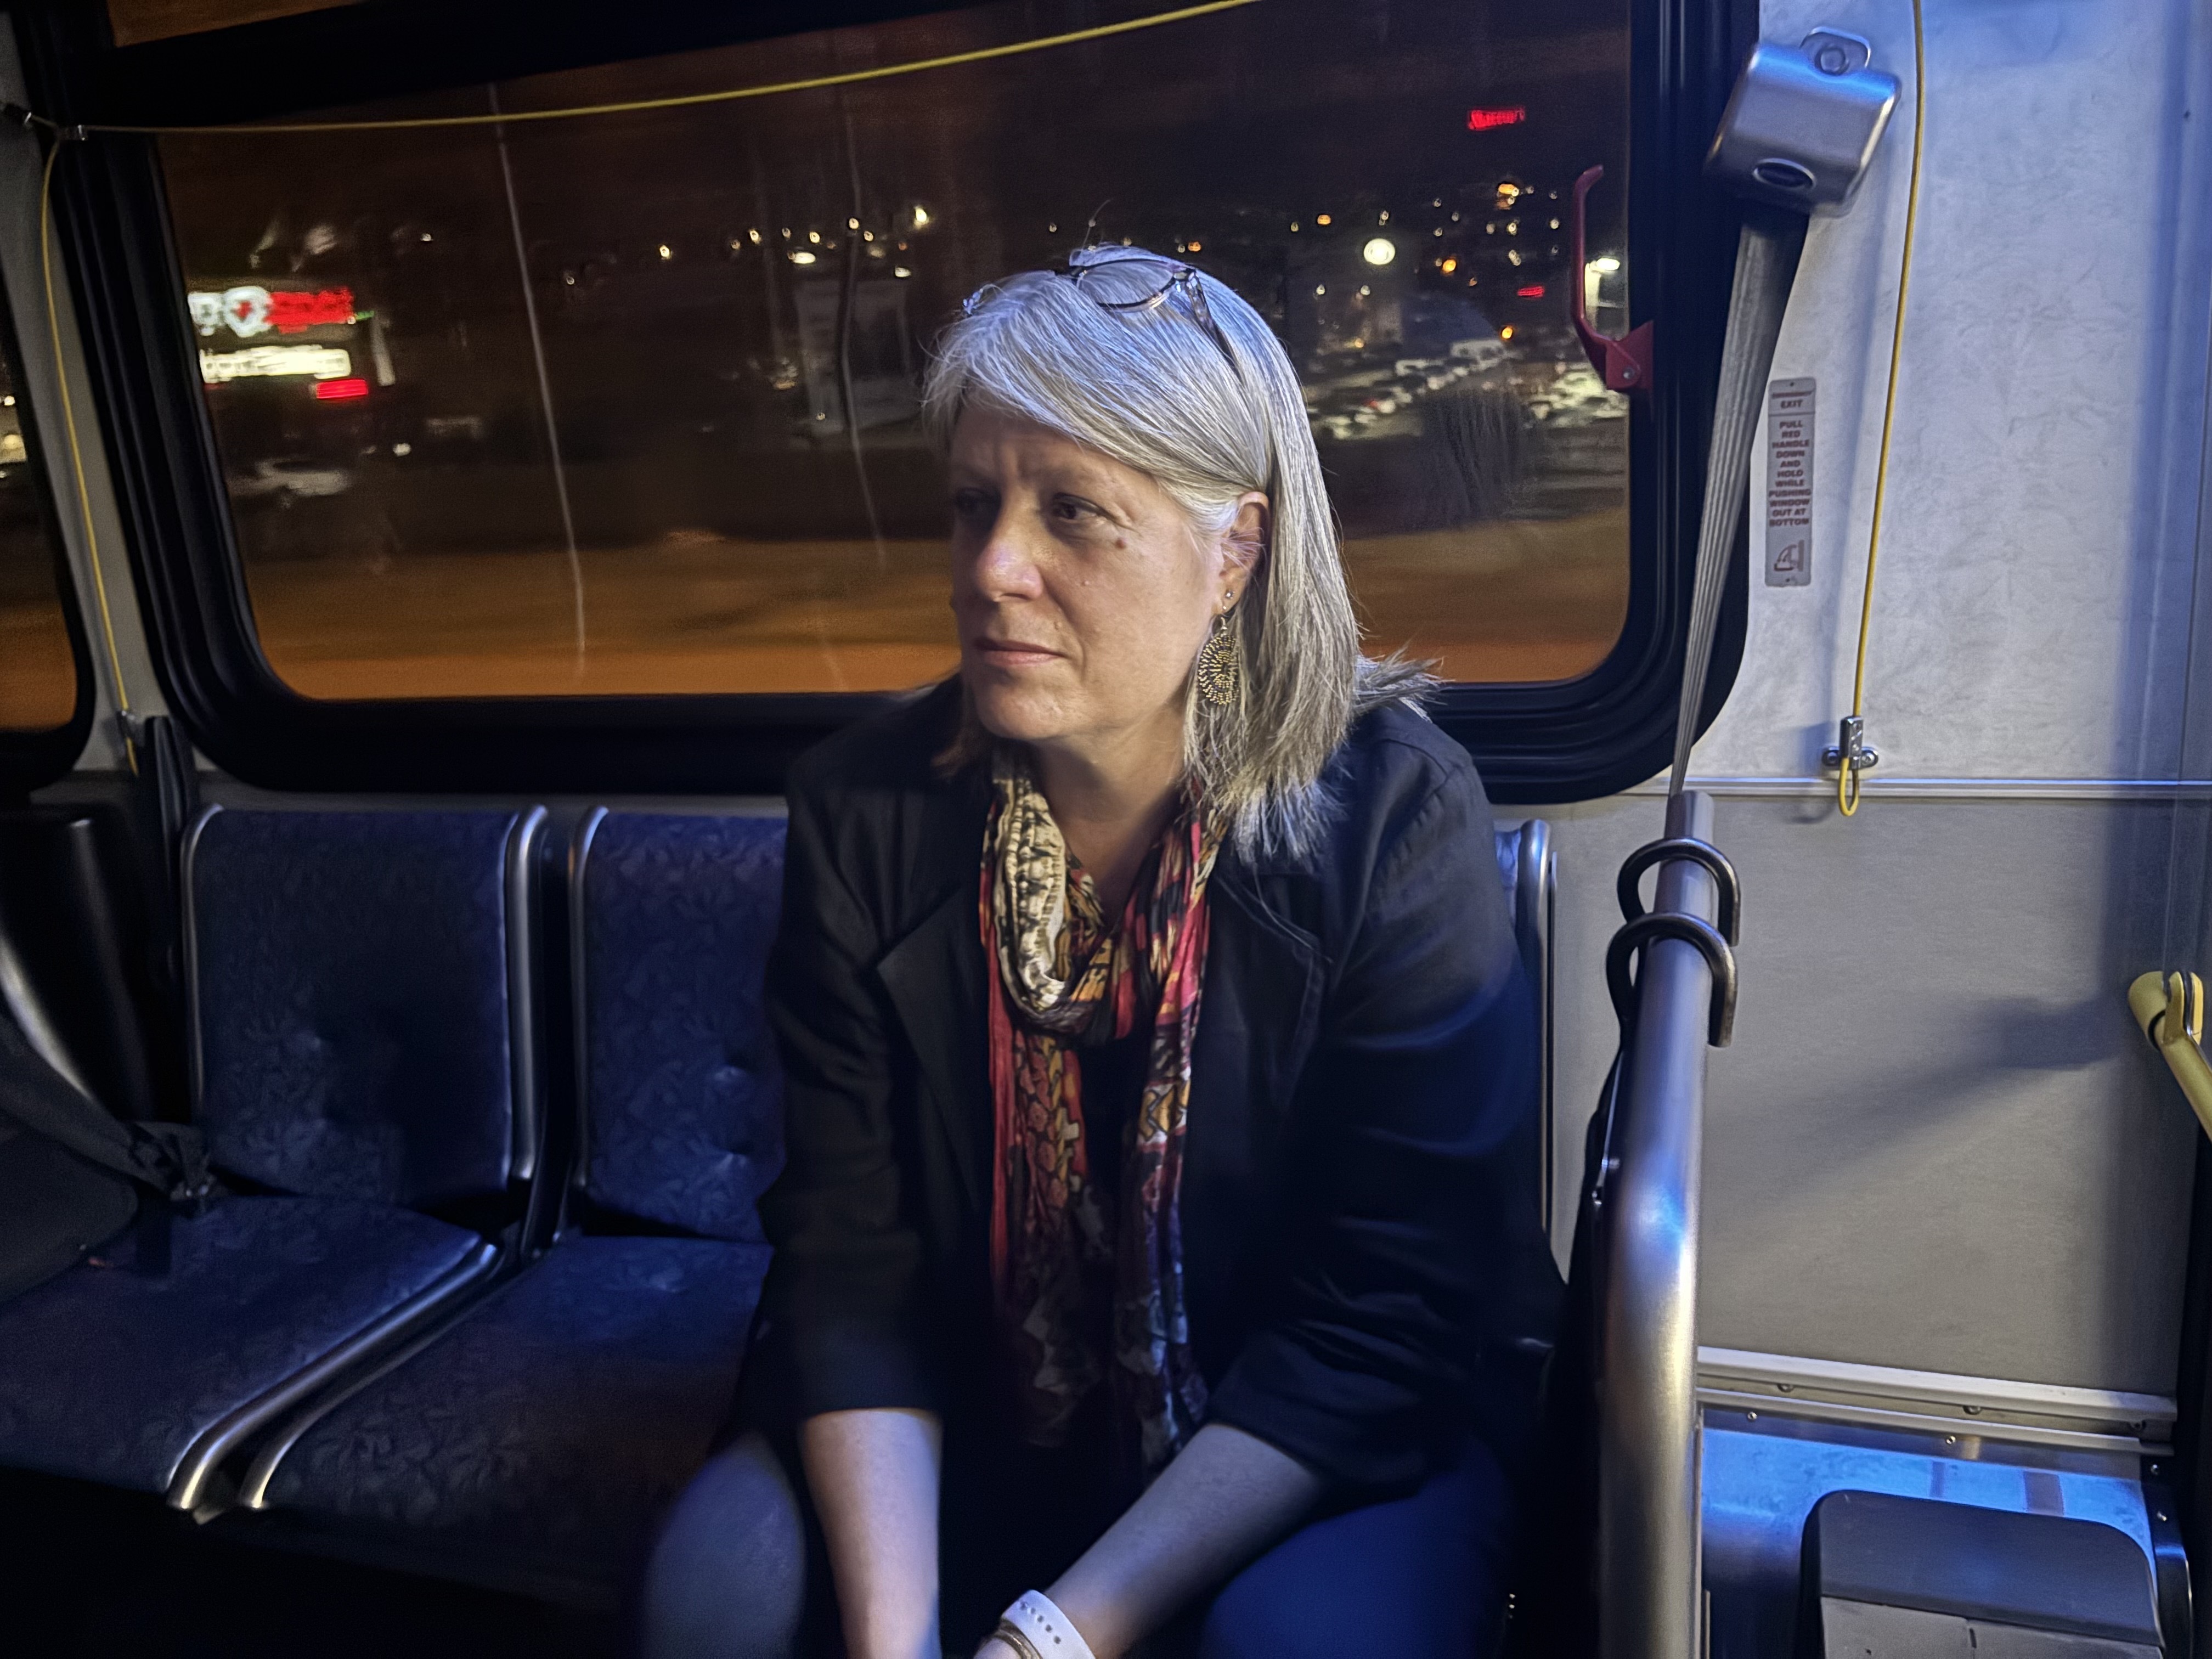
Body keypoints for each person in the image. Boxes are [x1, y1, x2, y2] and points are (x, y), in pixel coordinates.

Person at [639, 248, 1558, 1659]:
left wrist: (1057, 1636)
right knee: (716, 1591)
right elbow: (851, 1266)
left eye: (1073, 512)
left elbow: (1381, 1321)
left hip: (1320, 1425)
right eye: (972, 506)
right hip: (986, 1401)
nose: (994, 568)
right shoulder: (866, 810)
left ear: (1234, 553)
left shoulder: (1395, 821)